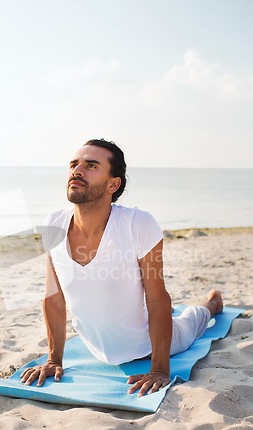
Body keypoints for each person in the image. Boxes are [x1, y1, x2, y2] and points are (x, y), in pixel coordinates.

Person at [21, 139, 223, 397]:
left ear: (112, 184)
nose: (77, 170)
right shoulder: (54, 224)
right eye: (74, 164)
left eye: (91, 165)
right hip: (95, 347)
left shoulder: (137, 224)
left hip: (146, 345)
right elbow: (53, 297)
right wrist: (53, 360)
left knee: (192, 322)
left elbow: (157, 298)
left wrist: (159, 370)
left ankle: (213, 304)